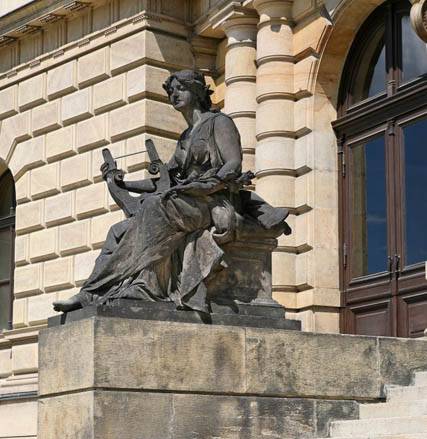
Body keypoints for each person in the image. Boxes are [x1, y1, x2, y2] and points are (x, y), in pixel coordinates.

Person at [53, 69, 290, 315]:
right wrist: (123, 183)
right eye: (170, 91)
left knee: (155, 206)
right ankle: (93, 290)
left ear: (197, 91)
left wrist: (206, 184)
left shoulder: (219, 122)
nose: (174, 95)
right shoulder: (185, 136)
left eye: (180, 88)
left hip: (213, 200)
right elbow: (163, 179)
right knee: (118, 230)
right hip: (184, 201)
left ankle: (141, 287)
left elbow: (233, 163)